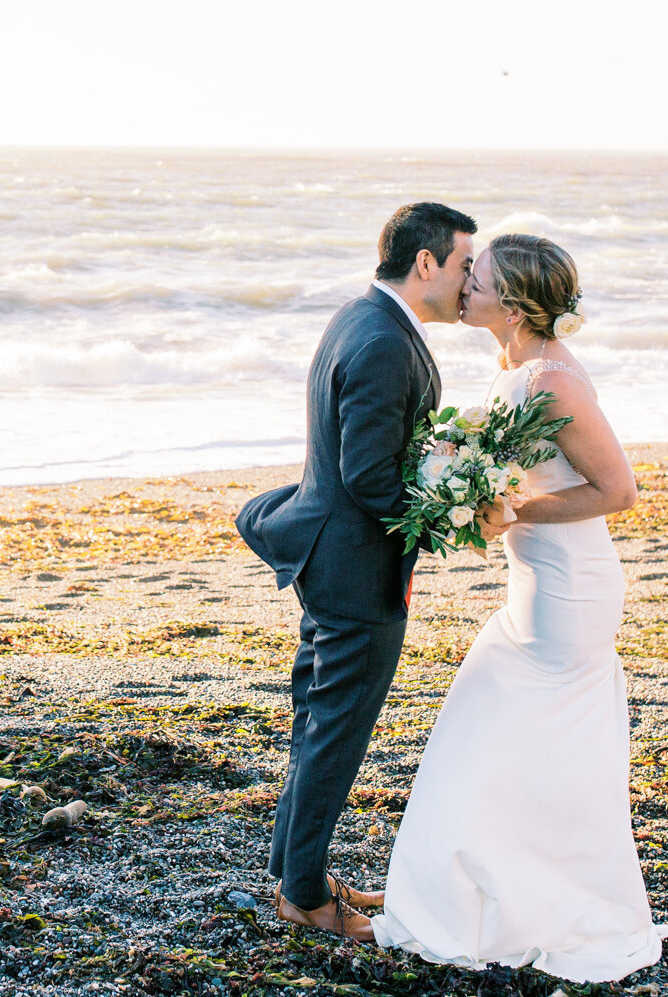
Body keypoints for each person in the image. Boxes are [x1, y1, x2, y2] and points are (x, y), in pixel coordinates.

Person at [369, 233, 668, 983]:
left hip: (570, 590)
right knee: (519, 737)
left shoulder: (552, 380)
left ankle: (518, 901)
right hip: (534, 584)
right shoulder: (514, 369)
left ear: (509, 299)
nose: (464, 281)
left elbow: (618, 490)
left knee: (501, 725)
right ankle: (507, 893)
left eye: (478, 275)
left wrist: (510, 508)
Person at [235, 201, 477, 941]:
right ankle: (304, 896)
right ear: (426, 262)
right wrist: (451, 498)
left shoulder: (363, 318)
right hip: (352, 568)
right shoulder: (380, 341)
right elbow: (372, 477)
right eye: (465, 264)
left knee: (318, 721)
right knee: (336, 731)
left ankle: (292, 870)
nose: (470, 280)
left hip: (329, 554)